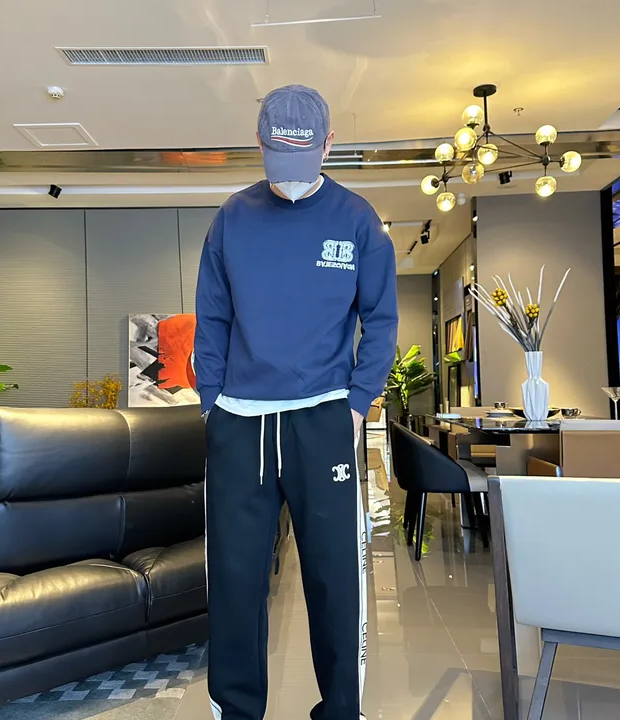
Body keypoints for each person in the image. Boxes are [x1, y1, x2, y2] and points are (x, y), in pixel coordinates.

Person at [195, 84, 398, 720]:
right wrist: (211, 403)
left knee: (335, 579)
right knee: (235, 581)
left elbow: (381, 319)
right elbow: (212, 317)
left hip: (323, 418)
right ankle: (235, 711)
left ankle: (339, 710)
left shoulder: (357, 220)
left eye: (302, 161)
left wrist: (358, 402)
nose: (288, 179)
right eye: (277, 161)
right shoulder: (231, 218)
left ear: (328, 145)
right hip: (240, 422)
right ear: (259, 144)